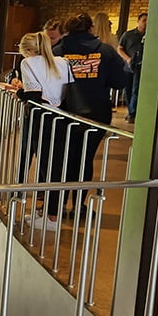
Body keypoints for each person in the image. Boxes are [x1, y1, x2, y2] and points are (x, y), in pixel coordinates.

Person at [38, 13, 128, 230]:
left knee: (63, 159)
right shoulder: (105, 51)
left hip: (64, 114)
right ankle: (79, 206)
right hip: (96, 115)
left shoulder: (58, 51)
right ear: (91, 28)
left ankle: (55, 207)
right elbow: (120, 80)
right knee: (85, 159)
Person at [11, 32, 74, 183]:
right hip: (63, 115)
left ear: (27, 51)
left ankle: (22, 191)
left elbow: (34, 95)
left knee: (44, 160)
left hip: (42, 117)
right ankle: (55, 203)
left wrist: (19, 92)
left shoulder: (28, 63)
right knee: (57, 162)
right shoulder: (63, 62)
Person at [118, 12, 148, 123]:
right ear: (138, 21)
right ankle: (130, 111)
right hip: (128, 66)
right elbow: (120, 48)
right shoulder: (128, 35)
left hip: (140, 67)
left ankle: (133, 113)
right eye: (144, 20)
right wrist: (127, 58)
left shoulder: (150, 36)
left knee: (136, 89)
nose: (146, 23)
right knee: (127, 90)